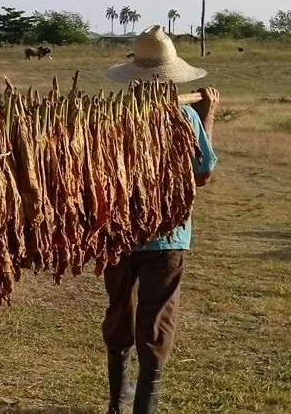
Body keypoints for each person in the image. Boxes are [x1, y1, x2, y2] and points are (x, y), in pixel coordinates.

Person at [102, 25, 219, 414]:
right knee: (157, 319)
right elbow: (201, 175)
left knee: (120, 309)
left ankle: (118, 403)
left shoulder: (111, 119)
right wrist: (208, 117)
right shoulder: (186, 116)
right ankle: (142, 408)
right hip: (167, 238)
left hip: (116, 234)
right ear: (172, 77)